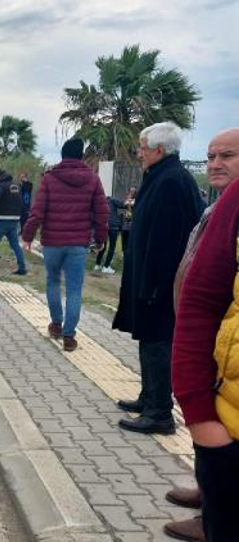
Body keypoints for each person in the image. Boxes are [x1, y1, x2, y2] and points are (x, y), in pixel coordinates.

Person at [164, 127, 239, 542]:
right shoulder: (221, 208)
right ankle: (210, 503)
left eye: (226, 156)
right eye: (210, 156)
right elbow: (203, 294)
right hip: (214, 364)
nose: (214, 164)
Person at [113, 122, 203, 435]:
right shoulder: (160, 176)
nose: (139, 153)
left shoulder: (172, 182)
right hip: (149, 280)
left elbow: (167, 240)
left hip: (160, 285)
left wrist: (153, 284)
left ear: (159, 150)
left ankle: (160, 413)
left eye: (143, 148)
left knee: (158, 345)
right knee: (148, 340)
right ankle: (148, 397)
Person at [22, 137, 108, 352]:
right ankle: (69, 337)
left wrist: (28, 236)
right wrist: (100, 240)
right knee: (74, 290)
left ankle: (56, 324)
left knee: (52, 282)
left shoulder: (50, 179)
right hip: (78, 244)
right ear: (81, 156)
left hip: (52, 242)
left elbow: (37, 211)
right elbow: (101, 213)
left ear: (62, 154)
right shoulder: (93, 179)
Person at [0, 168, 27, 275]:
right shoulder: (16, 186)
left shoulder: (1, 186)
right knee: (15, 244)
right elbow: (22, 202)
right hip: (14, 221)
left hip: (0, 220)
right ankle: (22, 267)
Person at [94, 194, 125, 274]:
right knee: (112, 247)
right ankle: (106, 267)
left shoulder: (101, 202)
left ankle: (97, 265)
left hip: (104, 225)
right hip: (113, 226)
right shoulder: (112, 200)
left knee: (103, 246)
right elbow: (123, 205)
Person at [119, 185, 136, 254]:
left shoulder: (136, 199)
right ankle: (123, 251)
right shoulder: (127, 199)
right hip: (125, 221)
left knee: (130, 237)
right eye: (131, 190)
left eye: (133, 191)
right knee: (124, 236)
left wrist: (130, 202)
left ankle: (129, 251)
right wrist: (128, 201)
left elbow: (132, 204)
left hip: (132, 221)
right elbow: (124, 204)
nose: (132, 192)